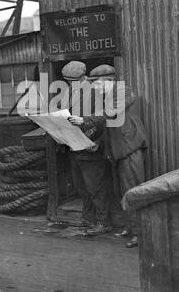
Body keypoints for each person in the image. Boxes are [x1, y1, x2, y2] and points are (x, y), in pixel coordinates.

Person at [90, 65, 148, 248]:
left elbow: (110, 114)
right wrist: (98, 143)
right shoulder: (110, 96)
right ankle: (130, 228)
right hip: (119, 151)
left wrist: (84, 121)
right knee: (123, 192)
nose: (95, 88)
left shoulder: (123, 92)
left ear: (108, 81)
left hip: (129, 150)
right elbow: (110, 128)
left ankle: (140, 234)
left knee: (133, 192)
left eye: (97, 84)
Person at [60, 61, 112, 236]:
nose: (70, 84)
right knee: (81, 186)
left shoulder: (96, 92)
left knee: (95, 186)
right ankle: (88, 219)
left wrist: (98, 142)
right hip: (73, 146)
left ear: (83, 78)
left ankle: (103, 222)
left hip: (91, 145)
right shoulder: (68, 92)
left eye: (72, 81)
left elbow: (105, 119)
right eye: (67, 81)